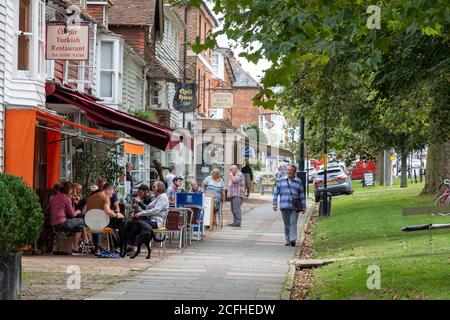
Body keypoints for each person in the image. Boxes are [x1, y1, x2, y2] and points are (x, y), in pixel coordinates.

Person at [85, 183, 124, 255]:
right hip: (101, 223)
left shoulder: (90, 197)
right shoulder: (105, 196)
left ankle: (98, 248)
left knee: (97, 224)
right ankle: (117, 246)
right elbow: (107, 211)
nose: (112, 195)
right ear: (108, 190)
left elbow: (84, 211)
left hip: (88, 223)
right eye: (112, 193)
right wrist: (116, 215)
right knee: (120, 222)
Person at [272, 164, 306, 246]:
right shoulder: (281, 180)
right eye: (288, 170)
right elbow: (276, 192)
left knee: (293, 222)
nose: (289, 172)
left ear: (295, 172)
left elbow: (301, 194)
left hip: (295, 207)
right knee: (287, 223)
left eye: (291, 170)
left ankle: (293, 239)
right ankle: (288, 239)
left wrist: (304, 206)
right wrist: (274, 203)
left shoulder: (298, 181)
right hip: (284, 205)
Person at [132, 181, 169, 255]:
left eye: (154, 187)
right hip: (152, 220)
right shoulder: (158, 197)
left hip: (156, 222)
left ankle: (135, 248)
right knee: (134, 224)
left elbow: (155, 210)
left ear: (160, 188)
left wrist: (141, 213)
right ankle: (134, 247)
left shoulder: (162, 197)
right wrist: (139, 204)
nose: (152, 188)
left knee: (137, 225)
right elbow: (148, 207)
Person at [48, 181, 85, 255]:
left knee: (80, 227)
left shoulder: (54, 197)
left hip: (52, 224)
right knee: (82, 220)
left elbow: (48, 208)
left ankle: (75, 249)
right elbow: (72, 214)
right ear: (70, 190)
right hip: (62, 223)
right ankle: (77, 247)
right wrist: (78, 211)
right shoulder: (66, 198)